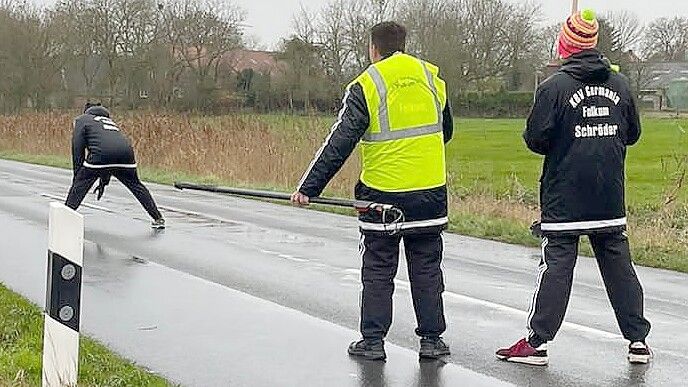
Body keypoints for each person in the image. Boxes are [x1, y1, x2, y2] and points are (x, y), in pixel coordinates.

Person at [496, 9, 651, 366]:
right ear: (594, 45)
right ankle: (638, 341)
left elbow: (535, 139)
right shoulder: (622, 84)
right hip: (609, 194)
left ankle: (537, 343)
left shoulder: (553, 88)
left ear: (565, 45)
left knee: (557, 266)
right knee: (619, 267)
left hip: (564, 194)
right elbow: (633, 134)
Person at [291, 21, 454, 361]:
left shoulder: (368, 83)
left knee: (379, 268)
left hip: (383, 195)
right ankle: (432, 341)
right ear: (404, 46)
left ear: (373, 48)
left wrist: (309, 187)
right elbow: (446, 131)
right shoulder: (431, 78)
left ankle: (373, 341)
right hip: (431, 194)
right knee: (426, 268)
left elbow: (340, 141)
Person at [66, 103, 165, 229]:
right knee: (136, 186)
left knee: (80, 185)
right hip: (126, 154)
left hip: (101, 155)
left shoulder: (82, 119)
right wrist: (103, 182)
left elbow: (77, 148)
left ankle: (66, 217)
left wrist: (78, 177)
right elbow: (109, 154)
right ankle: (158, 218)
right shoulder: (110, 122)